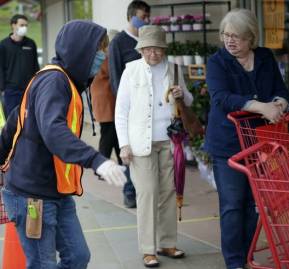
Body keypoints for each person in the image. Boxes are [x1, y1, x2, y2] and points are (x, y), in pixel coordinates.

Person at [0, 20, 127, 269]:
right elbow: (53, 130)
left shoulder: (64, 81)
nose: (101, 57)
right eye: (98, 50)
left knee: (78, 256)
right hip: (32, 196)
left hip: (56, 192)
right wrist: (96, 160)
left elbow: (16, 120)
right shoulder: (54, 82)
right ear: (80, 50)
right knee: (42, 264)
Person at [205, 9, 289, 269]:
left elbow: (280, 89)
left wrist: (280, 102)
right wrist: (260, 106)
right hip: (227, 144)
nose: (230, 41)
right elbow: (221, 98)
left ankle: (246, 255)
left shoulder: (264, 56)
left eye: (237, 37)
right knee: (232, 204)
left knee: (255, 202)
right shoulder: (217, 62)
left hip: (260, 141)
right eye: (226, 35)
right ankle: (234, 262)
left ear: (250, 38)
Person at [115, 25, 193, 268]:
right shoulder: (131, 71)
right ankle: (148, 249)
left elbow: (189, 101)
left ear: (163, 49)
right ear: (141, 49)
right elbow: (121, 111)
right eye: (148, 49)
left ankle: (167, 243)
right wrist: (124, 145)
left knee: (169, 192)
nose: (153, 54)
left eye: (157, 49)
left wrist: (182, 95)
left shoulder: (174, 70)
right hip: (140, 143)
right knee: (147, 193)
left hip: (170, 141)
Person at [109, 0, 150, 208]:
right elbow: (115, 77)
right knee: (127, 151)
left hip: (148, 108)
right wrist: (124, 106)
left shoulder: (147, 39)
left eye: (147, 17)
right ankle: (129, 191)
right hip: (130, 108)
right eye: (142, 17)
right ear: (130, 17)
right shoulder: (118, 42)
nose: (146, 21)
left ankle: (144, 190)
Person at [90, 29, 122, 168]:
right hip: (106, 101)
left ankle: (122, 162)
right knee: (108, 135)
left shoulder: (99, 55)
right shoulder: (105, 57)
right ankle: (101, 166)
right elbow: (113, 73)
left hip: (105, 100)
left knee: (114, 134)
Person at [0, 14, 39, 117]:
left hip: (29, 90)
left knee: (28, 120)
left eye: (26, 25)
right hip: (11, 91)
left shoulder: (31, 44)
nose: (24, 28)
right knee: (12, 121)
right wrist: (3, 88)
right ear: (13, 25)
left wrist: (36, 85)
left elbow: (35, 66)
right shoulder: (3, 45)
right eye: (22, 25)